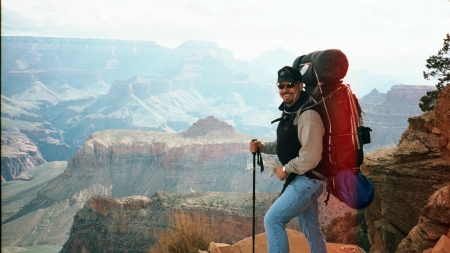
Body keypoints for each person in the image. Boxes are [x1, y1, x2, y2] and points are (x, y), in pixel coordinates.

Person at [249, 66, 328, 253]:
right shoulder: (291, 110)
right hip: (304, 179)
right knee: (310, 228)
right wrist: (264, 147)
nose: (285, 89)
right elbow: (286, 144)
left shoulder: (308, 115)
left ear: (300, 86)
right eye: (281, 85)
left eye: (290, 85)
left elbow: (311, 157)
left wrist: (284, 169)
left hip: (308, 180)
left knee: (273, 220)